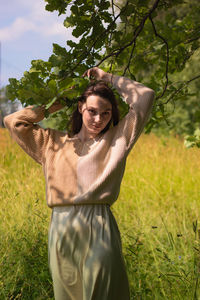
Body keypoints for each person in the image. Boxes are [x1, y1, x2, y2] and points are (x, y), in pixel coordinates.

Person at [4, 67, 155, 300]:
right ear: (80, 107)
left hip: (99, 225)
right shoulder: (51, 143)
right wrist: (58, 101)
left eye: (106, 113)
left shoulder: (117, 139)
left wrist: (106, 77)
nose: (98, 119)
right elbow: (14, 121)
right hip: (61, 229)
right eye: (92, 111)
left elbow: (145, 96)